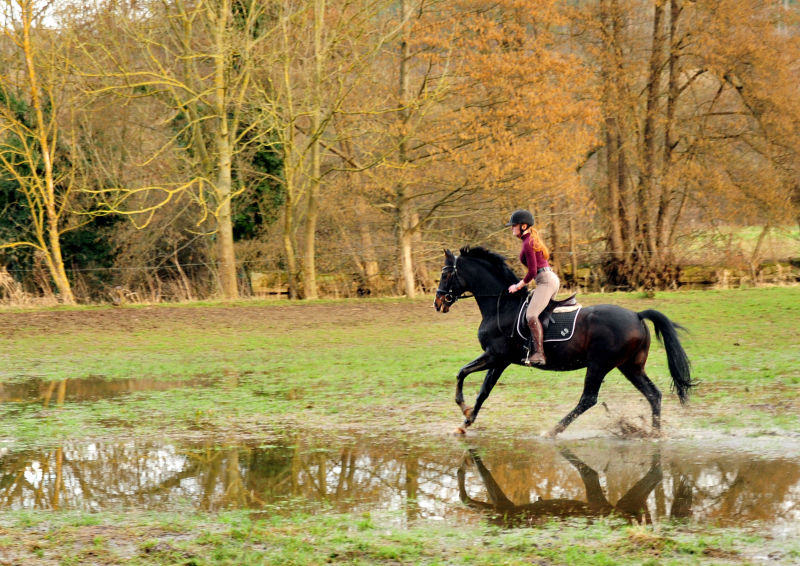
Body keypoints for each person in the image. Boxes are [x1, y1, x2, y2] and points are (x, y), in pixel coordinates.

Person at [505, 209, 560, 365]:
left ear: (523, 226)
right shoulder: (528, 240)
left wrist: (518, 286)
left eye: (513, 225)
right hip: (548, 279)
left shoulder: (528, 243)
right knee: (536, 311)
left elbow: (532, 272)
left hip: (545, 281)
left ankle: (539, 354)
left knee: (531, 315)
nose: (511, 228)